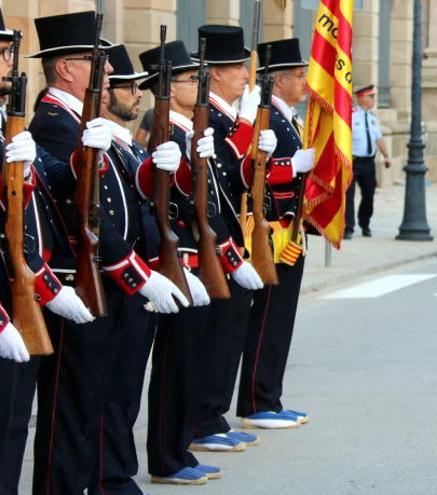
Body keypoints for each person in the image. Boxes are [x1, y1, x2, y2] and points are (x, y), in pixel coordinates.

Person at [27, 11, 188, 493]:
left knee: (99, 397)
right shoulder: (54, 121)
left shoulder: (83, 121)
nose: (103, 69)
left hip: (109, 276)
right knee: (71, 406)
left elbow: (121, 195)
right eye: (91, 59)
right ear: (65, 69)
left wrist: (165, 167)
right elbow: (73, 198)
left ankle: (95, 481)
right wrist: (135, 273)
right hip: (81, 277)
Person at [0, 8, 95, 492]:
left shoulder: (11, 125)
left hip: (29, 287)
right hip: (13, 294)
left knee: (15, 425)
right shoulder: (51, 118)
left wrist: (82, 158)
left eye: (7, 50)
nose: (5, 60)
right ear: (65, 67)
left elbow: (48, 192)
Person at [137, 38, 228, 485]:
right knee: (174, 363)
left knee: (189, 360)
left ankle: (179, 450)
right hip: (177, 260)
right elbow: (166, 202)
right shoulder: (162, 131)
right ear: (168, 87)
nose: (200, 85)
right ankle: (166, 456)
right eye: (192, 79)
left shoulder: (189, 130)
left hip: (194, 256)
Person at [190, 23, 269, 454]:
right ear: (215, 73)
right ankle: (205, 416)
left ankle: (214, 413)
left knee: (231, 330)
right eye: (238, 67)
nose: (245, 75)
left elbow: (236, 178)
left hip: (232, 238)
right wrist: (246, 129)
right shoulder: (215, 117)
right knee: (218, 334)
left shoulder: (226, 116)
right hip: (216, 242)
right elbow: (220, 173)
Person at [236, 37, 315, 430]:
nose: (305, 83)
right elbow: (254, 171)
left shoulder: (287, 117)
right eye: (299, 76)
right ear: (277, 80)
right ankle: (257, 399)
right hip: (272, 233)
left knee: (281, 319)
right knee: (267, 317)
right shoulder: (266, 116)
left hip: (291, 231)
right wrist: (293, 163)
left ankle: (271, 394)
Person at [346, 84, 391, 239]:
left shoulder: (372, 119)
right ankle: (348, 227)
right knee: (348, 195)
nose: (373, 100)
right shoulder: (350, 116)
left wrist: (386, 155)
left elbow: (378, 138)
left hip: (368, 163)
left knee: (369, 194)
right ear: (362, 98)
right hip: (352, 162)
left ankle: (365, 223)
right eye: (371, 96)